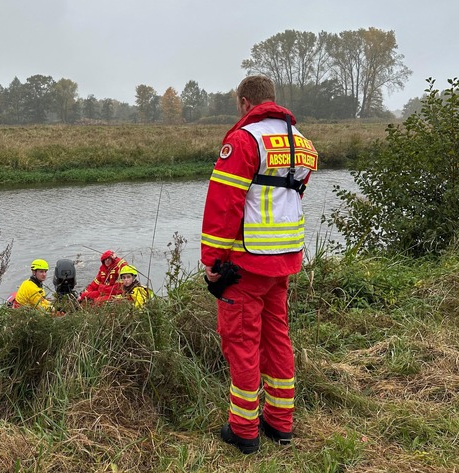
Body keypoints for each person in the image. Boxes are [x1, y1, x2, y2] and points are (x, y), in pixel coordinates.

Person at [200, 75, 318, 454]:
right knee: (277, 339)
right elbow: (286, 198)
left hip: (245, 266)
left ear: (245, 101)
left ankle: (244, 430)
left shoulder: (244, 140)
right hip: (284, 259)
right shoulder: (302, 144)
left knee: (242, 345)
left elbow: (225, 204)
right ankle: (281, 424)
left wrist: (213, 263)